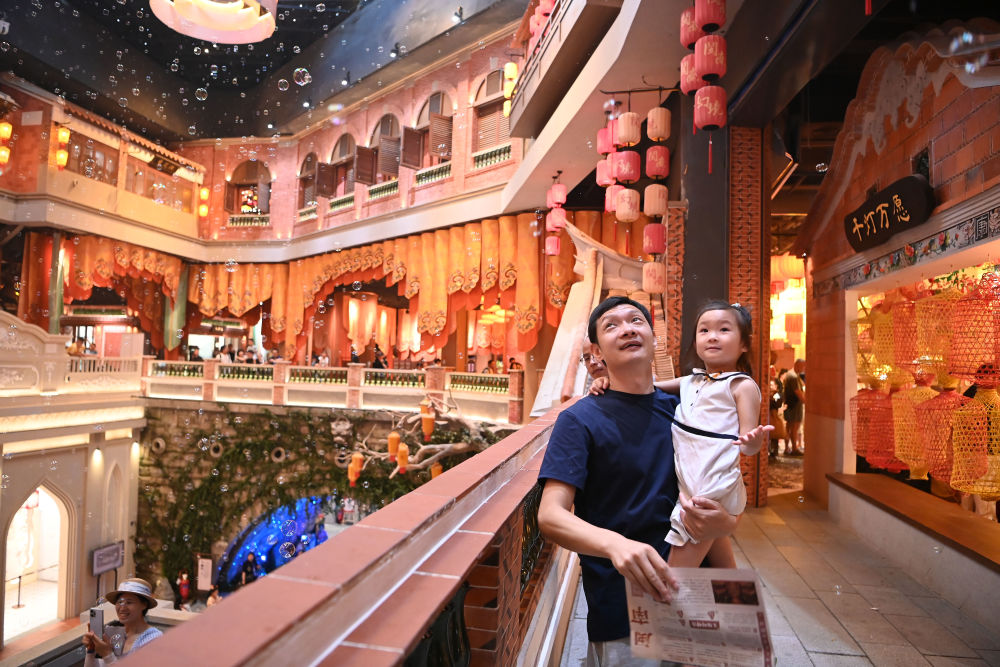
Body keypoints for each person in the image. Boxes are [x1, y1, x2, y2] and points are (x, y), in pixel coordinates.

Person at [538, 296, 742, 663]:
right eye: (612, 325)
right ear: (597, 352)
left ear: (653, 338)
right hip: (627, 612)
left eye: (636, 321)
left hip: (699, 600)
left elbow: (712, 494)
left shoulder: (686, 411)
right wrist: (616, 545)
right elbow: (551, 516)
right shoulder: (579, 420)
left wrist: (726, 523)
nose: (627, 329)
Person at [592, 301, 770, 570]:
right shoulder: (691, 382)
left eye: (724, 330)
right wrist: (604, 380)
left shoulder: (740, 385)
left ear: (744, 343)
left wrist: (753, 441)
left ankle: (669, 597)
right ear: (695, 341)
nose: (712, 336)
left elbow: (748, 445)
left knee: (675, 575)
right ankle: (734, 596)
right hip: (692, 480)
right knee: (723, 569)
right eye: (704, 330)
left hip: (708, 485)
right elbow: (644, 386)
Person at [82, 578, 163, 664]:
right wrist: (91, 651)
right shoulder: (112, 632)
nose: (122, 608)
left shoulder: (154, 639)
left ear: (144, 605)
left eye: (129, 602)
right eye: (119, 602)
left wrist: (107, 654)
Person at [783, 358, 806, 455]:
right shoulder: (793, 376)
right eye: (803, 366)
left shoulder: (791, 375)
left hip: (790, 405)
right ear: (798, 365)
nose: (804, 368)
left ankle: (787, 448)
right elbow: (798, 392)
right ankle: (794, 448)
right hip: (794, 406)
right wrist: (806, 402)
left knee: (789, 427)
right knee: (794, 427)